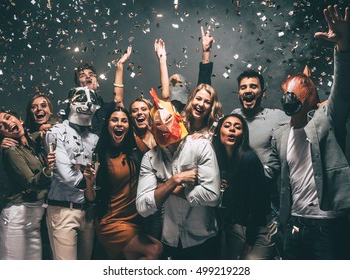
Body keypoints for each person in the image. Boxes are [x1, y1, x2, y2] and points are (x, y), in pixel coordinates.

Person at [265, 5, 350, 259]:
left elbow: (342, 89)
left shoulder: (327, 120)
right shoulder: (280, 135)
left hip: (328, 225)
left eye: (302, 88)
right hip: (295, 224)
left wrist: (343, 45)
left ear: (312, 96)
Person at [136, 89, 221, 260]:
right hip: (170, 240)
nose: (165, 128)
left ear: (178, 118)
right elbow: (143, 207)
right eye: (158, 124)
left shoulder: (201, 146)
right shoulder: (150, 158)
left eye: (168, 120)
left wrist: (164, 188)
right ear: (151, 129)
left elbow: (212, 196)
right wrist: (175, 180)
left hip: (203, 238)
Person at [91, 106, 162, 259]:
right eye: (114, 120)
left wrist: (153, 131)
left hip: (134, 220)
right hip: (111, 222)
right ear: (107, 124)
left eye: (124, 121)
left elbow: (158, 154)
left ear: (129, 126)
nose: (119, 124)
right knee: (154, 249)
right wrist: (89, 180)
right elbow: (91, 196)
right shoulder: (101, 155)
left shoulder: (135, 150)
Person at [0, 109, 55, 259]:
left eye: (8, 118)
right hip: (17, 221)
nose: (7, 123)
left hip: (33, 223)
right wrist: (48, 170)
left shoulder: (30, 141)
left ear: (18, 119)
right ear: (2, 135)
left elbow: (47, 130)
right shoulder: (11, 150)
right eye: (1, 126)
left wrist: (45, 127)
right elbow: (30, 182)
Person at [45, 86, 101, 260]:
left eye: (92, 99)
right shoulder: (55, 132)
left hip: (88, 213)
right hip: (63, 211)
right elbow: (67, 174)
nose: (88, 103)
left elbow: (95, 171)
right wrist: (90, 182)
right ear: (71, 102)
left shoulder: (94, 138)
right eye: (82, 98)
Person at [212, 114, 274, 259]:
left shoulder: (249, 159)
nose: (232, 129)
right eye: (227, 126)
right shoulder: (218, 160)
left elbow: (259, 204)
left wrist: (250, 240)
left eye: (237, 127)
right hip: (235, 226)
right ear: (219, 131)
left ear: (243, 135)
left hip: (259, 228)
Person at [73, 46, 132, 135]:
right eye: (82, 75)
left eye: (91, 74)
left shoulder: (105, 108)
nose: (88, 77)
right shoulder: (72, 107)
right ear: (78, 84)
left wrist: (119, 66)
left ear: (97, 81)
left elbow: (118, 100)